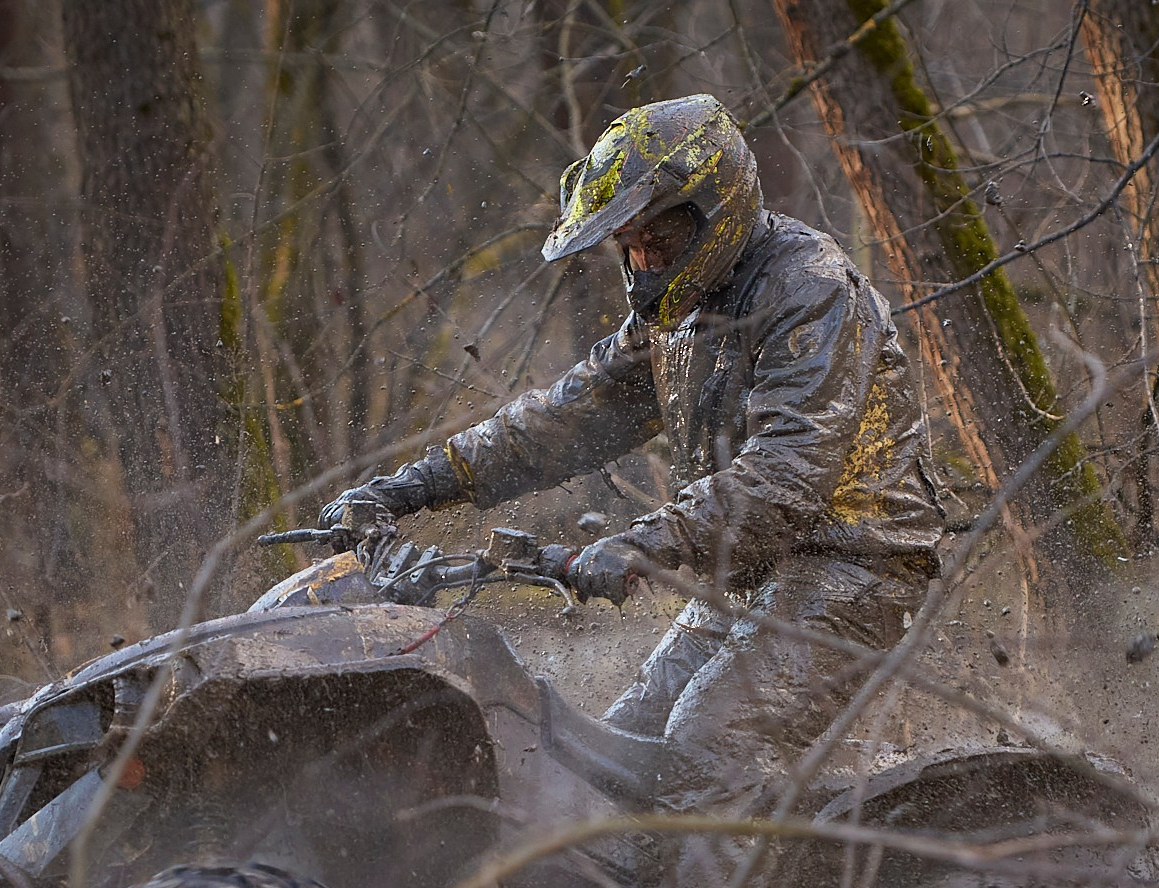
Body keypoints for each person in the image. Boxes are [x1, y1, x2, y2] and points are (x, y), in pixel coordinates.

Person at [321, 93, 944, 822]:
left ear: (714, 209)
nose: (645, 262)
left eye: (659, 240)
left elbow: (785, 475)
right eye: (631, 245)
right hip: (750, 568)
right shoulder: (678, 314)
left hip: (854, 564)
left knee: (703, 748)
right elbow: (563, 418)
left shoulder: (810, 291)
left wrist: (642, 543)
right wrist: (411, 487)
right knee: (618, 754)